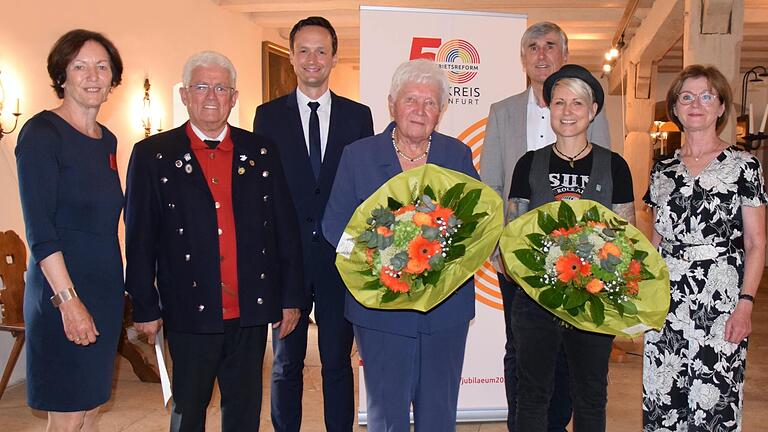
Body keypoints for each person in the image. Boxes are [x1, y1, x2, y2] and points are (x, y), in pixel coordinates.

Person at [124, 51, 305, 432]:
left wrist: (290, 297)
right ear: (185, 95)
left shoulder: (260, 151)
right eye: (201, 87)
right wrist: (144, 305)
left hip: (249, 311)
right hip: (188, 310)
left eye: (221, 88)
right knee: (188, 409)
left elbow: (284, 230)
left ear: (234, 97)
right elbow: (140, 238)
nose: (211, 96)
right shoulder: (153, 155)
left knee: (243, 411)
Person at [322, 59, 476, 431]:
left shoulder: (456, 155)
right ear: (392, 104)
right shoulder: (358, 155)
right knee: (386, 415)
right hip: (380, 310)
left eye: (430, 103)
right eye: (411, 100)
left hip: (445, 311)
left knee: (439, 413)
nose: (419, 110)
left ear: (441, 112)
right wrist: (376, 262)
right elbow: (335, 226)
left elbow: (476, 228)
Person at [479, 21, 610, 431]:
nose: (541, 54)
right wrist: (502, 248)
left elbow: (605, 184)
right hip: (517, 260)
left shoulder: (591, 110)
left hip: (580, 262)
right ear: (523, 58)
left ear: (563, 55)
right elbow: (492, 185)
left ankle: (557, 422)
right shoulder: (502, 113)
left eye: (550, 46)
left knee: (573, 350)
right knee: (520, 348)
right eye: (532, 47)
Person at [253, 16, 374, 432]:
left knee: (337, 361)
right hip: (288, 260)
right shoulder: (267, 117)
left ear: (335, 57)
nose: (312, 59)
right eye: (303, 50)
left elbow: (366, 192)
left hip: (340, 259)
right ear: (291, 57)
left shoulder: (359, 117)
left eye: (321, 50)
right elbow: (262, 194)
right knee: (286, 363)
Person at [506, 64, 635, 432]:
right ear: (549, 108)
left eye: (577, 102)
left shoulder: (615, 167)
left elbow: (626, 238)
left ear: (593, 110)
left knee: (591, 396)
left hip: (595, 302)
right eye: (560, 101)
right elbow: (514, 235)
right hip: (535, 303)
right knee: (531, 395)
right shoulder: (529, 164)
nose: (567, 111)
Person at [642, 64, 766, 431]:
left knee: (715, 397)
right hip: (667, 297)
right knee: (664, 396)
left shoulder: (745, 166)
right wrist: (641, 296)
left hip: (720, 296)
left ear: (721, 107)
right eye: (686, 96)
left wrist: (746, 304)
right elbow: (656, 239)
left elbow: (757, 243)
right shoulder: (662, 170)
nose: (696, 104)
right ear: (676, 109)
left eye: (706, 96)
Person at [15, 29, 124, 431]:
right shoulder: (41, 134)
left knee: (92, 406)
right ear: (62, 75)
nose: (93, 75)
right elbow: (40, 229)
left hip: (105, 292)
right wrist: (68, 301)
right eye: (80, 66)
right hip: (63, 292)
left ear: (113, 79)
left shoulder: (107, 141)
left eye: (102, 67)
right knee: (67, 416)